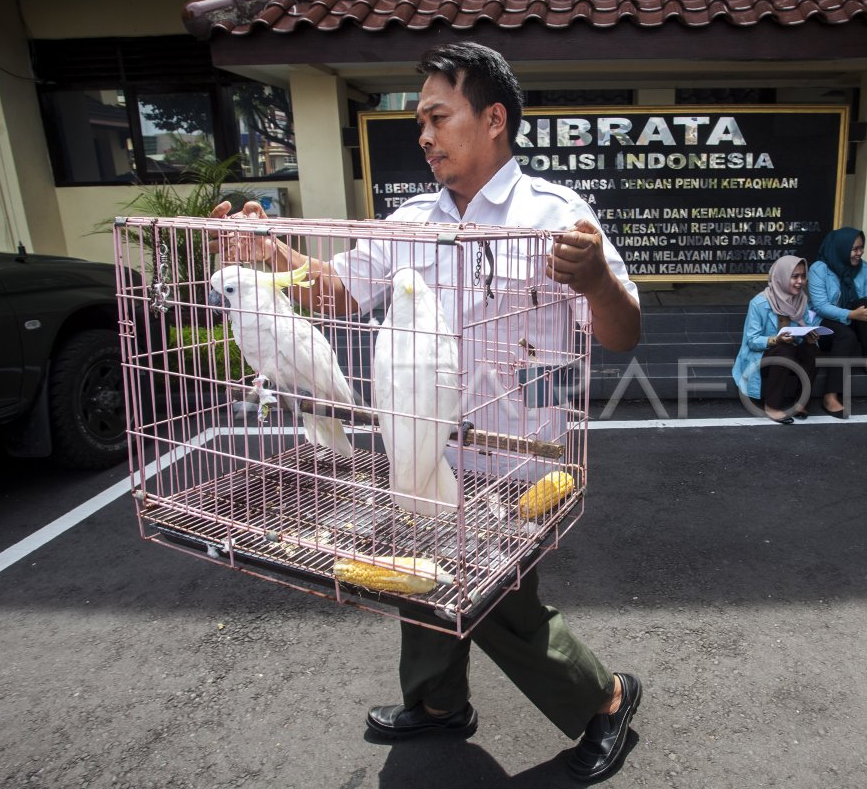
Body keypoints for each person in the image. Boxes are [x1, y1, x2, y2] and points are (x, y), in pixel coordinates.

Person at [211, 42, 642, 783]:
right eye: (421, 121)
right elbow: (337, 291)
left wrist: (599, 279)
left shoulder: (555, 216)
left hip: (521, 460)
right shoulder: (411, 220)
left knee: (498, 599)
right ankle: (438, 703)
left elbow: (622, 330)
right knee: (418, 575)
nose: (424, 134)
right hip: (426, 449)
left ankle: (605, 700)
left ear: (494, 119)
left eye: (439, 116)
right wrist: (271, 255)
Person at [807, 227, 867, 418]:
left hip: (853, 317)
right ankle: (830, 396)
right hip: (823, 321)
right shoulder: (819, 269)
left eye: (861, 248)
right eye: (855, 249)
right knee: (846, 336)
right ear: (840, 248)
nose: (859, 253)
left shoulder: (863, 267)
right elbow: (820, 306)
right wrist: (852, 314)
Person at [731, 255, 820, 423]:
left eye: (803, 276)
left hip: (789, 355)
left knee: (811, 350)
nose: (800, 281)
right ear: (781, 277)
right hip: (761, 359)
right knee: (784, 349)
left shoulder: (801, 300)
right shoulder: (759, 303)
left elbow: (802, 330)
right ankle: (772, 406)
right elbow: (752, 341)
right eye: (794, 276)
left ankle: (800, 402)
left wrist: (808, 337)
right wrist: (776, 340)